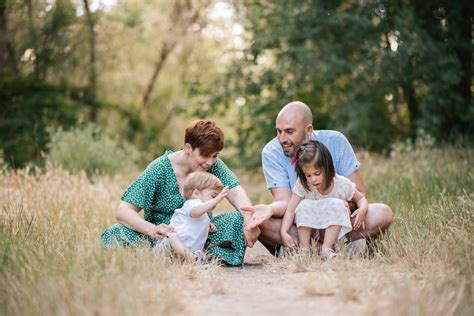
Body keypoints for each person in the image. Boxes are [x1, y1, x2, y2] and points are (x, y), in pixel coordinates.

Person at [101, 120, 260, 266]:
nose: (210, 162)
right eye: (205, 155)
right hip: (164, 239)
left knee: (240, 216)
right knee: (114, 233)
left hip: (201, 237)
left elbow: (235, 190)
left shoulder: (212, 164)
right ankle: (174, 257)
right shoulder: (159, 170)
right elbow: (123, 210)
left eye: (215, 156)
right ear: (187, 148)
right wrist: (151, 229)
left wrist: (248, 220)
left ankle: (200, 256)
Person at [242, 101, 393, 254]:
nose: (282, 139)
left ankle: (309, 249)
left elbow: (359, 193)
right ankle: (332, 249)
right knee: (260, 222)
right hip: (301, 224)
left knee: (382, 212)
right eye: (278, 131)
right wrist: (269, 209)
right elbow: (287, 203)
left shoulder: (336, 141)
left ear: (308, 130)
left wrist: (336, 208)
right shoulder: (271, 152)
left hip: (338, 220)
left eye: (289, 131)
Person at [280, 140, 368, 260]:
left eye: (317, 173)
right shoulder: (304, 185)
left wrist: (363, 208)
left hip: (334, 232)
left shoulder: (341, 184)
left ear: (327, 167)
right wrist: (284, 231)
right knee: (302, 205)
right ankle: (304, 249)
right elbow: (291, 210)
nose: (313, 180)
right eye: (308, 175)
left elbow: (360, 198)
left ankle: (327, 249)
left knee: (338, 204)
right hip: (313, 230)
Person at [153, 171, 229, 258]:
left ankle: (189, 257)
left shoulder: (203, 212)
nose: (215, 201)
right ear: (196, 193)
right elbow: (195, 212)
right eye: (213, 196)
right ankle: (191, 258)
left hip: (187, 248)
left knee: (198, 252)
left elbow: (197, 220)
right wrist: (216, 200)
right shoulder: (193, 203)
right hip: (170, 245)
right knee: (172, 237)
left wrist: (208, 225)